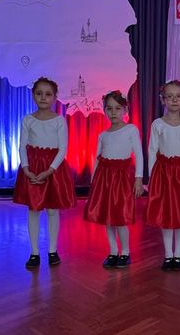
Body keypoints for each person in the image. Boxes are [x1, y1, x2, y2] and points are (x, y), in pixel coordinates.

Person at [13, 77, 76, 269]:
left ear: (55, 97)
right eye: (39, 93)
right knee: (33, 210)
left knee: (52, 210)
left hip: (53, 170)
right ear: (33, 95)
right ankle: (34, 252)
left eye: (48, 94)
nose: (43, 97)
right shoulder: (28, 120)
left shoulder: (59, 121)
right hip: (32, 168)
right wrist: (26, 168)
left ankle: (52, 250)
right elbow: (22, 146)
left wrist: (50, 170)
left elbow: (63, 149)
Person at [84, 90, 143, 268]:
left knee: (120, 216)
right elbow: (97, 159)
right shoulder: (103, 135)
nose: (113, 112)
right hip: (104, 178)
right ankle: (112, 251)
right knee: (107, 217)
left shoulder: (131, 129)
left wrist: (138, 179)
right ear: (104, 111)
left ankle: (125, 252)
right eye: (109, 108)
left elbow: (139, 155)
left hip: (122, 178)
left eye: (117, 108)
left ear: (125, 110)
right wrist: (93, 183)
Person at [146, 80, 180, 271]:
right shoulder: (158, 124)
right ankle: (168, 255)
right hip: (164, 174)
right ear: (163, 100)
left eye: (178, 96)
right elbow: (152, 150)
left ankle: (178, 254)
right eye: (170, 96)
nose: (174, 100)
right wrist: (152, 176)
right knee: (166, 213)